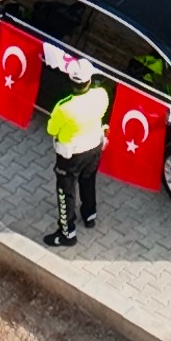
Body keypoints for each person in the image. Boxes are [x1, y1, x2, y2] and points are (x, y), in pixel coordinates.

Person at [41, 63, 110, 246]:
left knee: (66, 192)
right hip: (94, 147)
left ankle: (67, 233)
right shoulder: (101, 95)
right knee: (88, 181)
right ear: (89, 80)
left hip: (70, 155)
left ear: (71, 81)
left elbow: (51, 129)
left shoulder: (63, 108)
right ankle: (89, 215)